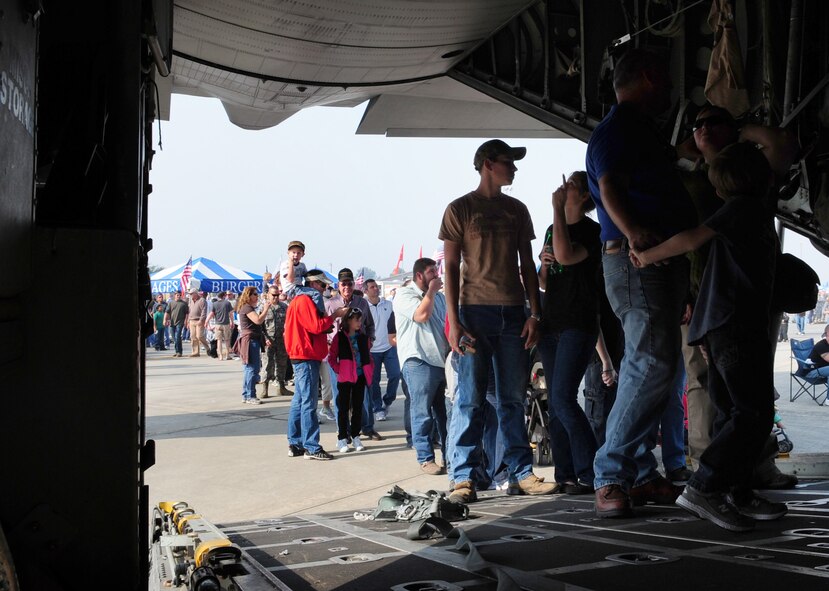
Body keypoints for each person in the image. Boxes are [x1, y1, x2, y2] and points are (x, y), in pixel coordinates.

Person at [632, 141, 785, 532]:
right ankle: (705, 485)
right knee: (753, 413)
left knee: (732, 412)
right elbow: (691, 239)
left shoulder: (742, 210)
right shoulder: (743, 209)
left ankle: (733, 489)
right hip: (736, 325)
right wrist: (648, 257)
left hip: (723, 325)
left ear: (719, 186)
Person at [586, 48, 695, 517]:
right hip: (639, 261)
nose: (671, 90)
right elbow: (609, 187)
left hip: (657, 262)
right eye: (666, 80)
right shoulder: (620, 128)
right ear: (649, 75)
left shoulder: (641, 131)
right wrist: (634, 234)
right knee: (651, 363)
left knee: (656, 367)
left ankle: (641, 473)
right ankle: (610, 473)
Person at [440, 139, 556, 502]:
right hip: (474, 313)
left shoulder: (517, 210)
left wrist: (534, 313)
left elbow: (527, 266)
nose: (515, 169)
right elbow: (451, 268)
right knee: (470, 399)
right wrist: (455, 321)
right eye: (509, 162)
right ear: (488, 164)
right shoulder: (460, 209)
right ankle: (463, 477)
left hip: (512, 313)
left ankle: (520, 472)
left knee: (511, 399)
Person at [536, 171, 603, 495]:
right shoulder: (553, 230)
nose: (563, 189)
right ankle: (565, 474)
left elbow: (566, 255)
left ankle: (592, 470)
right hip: (551, 325)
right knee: (556, 402)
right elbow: (546, 281)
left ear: (586, 196)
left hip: (578, 324)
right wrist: (545, 264)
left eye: (570, 187)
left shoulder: (594, 231)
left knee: (563, 398)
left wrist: (555, 209)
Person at [393, 257, 450, 476]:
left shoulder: (441, 299)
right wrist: (432, 292)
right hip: (418, 361)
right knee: (422, 412)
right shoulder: (405, 295)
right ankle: (426, 458)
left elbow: (447, 324)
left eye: (436, 271)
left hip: (441, 361)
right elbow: (421, 315)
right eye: (431, 272)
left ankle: (449, 455)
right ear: (419, 276)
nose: (436, 275)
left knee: (445, 414)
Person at [284, 269, 348, 460]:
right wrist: (334, 315)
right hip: (305, 354)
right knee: (308, 403)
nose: (324, 288)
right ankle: (311, 446)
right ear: (312, 284)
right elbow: (316, 326)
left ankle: (296, 443)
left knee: (300, 401)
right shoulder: (304, 300)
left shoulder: (302, 299)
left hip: (304, 353)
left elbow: (314, 326)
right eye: (322, 285)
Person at [324, 269, 379, 438]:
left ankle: (367, 427)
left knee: (363, 394)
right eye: (343, 284)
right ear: (338, 286)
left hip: (359, 354)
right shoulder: (330, 304)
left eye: (349, 283)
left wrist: (369, 341)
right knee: (341, 395)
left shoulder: (361, 303)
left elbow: (369, 324)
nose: (347, 286)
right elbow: (323, 328)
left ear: (354, 284)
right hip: (339, 354)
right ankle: (344, 430)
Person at [328, 308, 374, 453]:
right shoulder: (339, 337)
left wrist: (369, 369)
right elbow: (331, 357)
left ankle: (355, 436)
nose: (359, 323)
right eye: (356, 320)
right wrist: (339, 370)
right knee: (343, 408)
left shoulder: (363, 338)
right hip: (345, 377)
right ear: (348, 321)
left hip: (360, 377)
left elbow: (368, 356)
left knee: (358, 407)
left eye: (360, 320)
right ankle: (342, 438)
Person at [364, 278, 400, 421]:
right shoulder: (363, 307)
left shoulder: (389, 304)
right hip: (372, 350)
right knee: (374, 381)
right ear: (366, 291)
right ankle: (377, 407)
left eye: (376, 286)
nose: (375, 289)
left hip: (389, 347)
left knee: (396, 375)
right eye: (372, 287)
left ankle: (388, 401)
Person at [234, 286, 271, 405]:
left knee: (249, 369)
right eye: (254, 294)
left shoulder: (248, 307)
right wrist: (265, 309)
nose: (257, 296)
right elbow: (258, 320)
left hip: (252, 339)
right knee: (252, 369)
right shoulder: (247, 308)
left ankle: (246, 394)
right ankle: (250, 395)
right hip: (250, 341)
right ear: (248, 296)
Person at [262, 283, 291, 397]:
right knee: (267, 364)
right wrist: (264, 338)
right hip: (268, 340)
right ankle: (265, 388)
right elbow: (259, 325)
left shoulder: (284, 307)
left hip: (281, 340)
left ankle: (281, 387)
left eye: (277, 295)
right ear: (268, 295)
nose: (275, 297)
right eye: (273, 295)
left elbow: (289, 322)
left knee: (282, 363)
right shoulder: (263, 308)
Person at [205, 291, 234, 361]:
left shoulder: (215, 304)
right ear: (224, 296)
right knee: (227, 340)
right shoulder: (227, 303)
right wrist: (232, 322)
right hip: (226, 324)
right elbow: (230, 314)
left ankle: (220, 356)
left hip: (217, 324)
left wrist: (206, 321)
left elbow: (211, 313)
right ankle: (227, 355)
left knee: (219, 340)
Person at [164, 292, 188, 357]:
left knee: (177, 336)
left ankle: (179, 352)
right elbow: (167, 312)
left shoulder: (184, 304)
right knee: (174, 338)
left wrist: (186, 321)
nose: (178, 296)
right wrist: (165, 320)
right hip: (172, 322)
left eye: (180, 295)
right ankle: (177, 351)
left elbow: (187, 313)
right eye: (177, 295)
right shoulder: (171, 303)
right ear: (175, 296)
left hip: (180, 322)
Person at [187, 288, 210, 357]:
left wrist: (201, 320)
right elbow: (190, 310)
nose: (190, 295)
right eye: (190, 294)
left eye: (191, 294)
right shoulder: (190, 300)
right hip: (192, 320)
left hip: (199, 320)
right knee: (193, 336)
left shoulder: (202, 300)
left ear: (195, 293)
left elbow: (204, 311)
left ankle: (208, 348)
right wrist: (188, 321)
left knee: (199, 336)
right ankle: (195, 352)